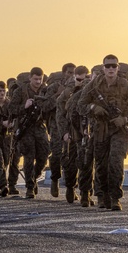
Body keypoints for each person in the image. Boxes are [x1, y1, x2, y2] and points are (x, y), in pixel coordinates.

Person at [75, 55, 128, 210]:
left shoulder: (127, 87)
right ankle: (102, 196)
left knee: (116, 162)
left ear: (118, 68)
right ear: (103, 68)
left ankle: (115, 197)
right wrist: (94, 108)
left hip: (119, 130)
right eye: (108, 66)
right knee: (101, 165)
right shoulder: (94, 86)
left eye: (114, 66)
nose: (111, 69)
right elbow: (80, 105)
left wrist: (125, 119)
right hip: (100, 130)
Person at [9, 67, 50, 199]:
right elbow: (11, 108)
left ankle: (34, 176)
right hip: (25, 128)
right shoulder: (21, 91)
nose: (38, 81)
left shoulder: (45, 90)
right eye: (35, 79)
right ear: (30, 78)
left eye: (40, 79)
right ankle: (29, 187)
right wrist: (24, 106)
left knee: (43, 156)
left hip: (40, 127)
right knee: (28, 157)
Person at [56, 66, 89, 204]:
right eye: (79, 79)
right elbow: (60, 115)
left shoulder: (90, 91)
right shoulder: (67, 93)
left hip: (85, 132)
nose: (82, 82)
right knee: (70, 164)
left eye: (85, 78)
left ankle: (85, 193)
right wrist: (64, 132)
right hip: (71, 132)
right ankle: (70, 187)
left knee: (86, 163)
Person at [43, 63, 75, 197]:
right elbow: (45, 106)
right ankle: (55, 179)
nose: (71, 75)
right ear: (64, 73)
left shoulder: (78, 86)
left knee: (71, 156)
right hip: (56, 126)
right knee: (57, 154)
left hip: (72, 125)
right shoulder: (55, 87)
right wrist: (58, 94)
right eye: (69, 73)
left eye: (73, 73)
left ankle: (70, 186)